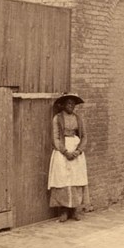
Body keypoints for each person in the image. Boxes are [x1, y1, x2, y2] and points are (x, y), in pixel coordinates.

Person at [48, 93, 89, 222]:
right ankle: (63, 211)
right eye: (68, 104)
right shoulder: (57, 118)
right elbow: (55, 137)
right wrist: (65, 152)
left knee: (76, 178)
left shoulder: (79, 119)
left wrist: (78, 151)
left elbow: (84, 137)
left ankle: (75, 210)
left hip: (76, 151)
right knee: (62, 179)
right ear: (63, 105)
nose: (71, 106)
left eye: (73, 104)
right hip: (62, 151)